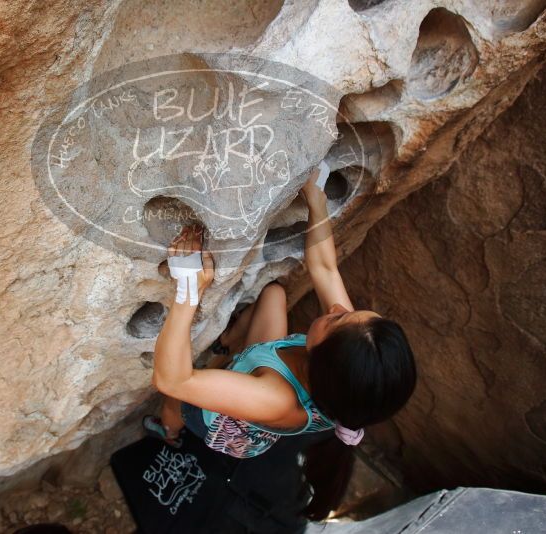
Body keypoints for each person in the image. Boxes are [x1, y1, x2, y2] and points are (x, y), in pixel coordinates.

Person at [146, 165, 417, 520]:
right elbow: (325, 269)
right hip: (266, 369)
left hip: (219, 421)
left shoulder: (277, 400)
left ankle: (170, 429)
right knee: (273, 294)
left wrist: (188, 289)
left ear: (321, 359)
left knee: (179, 393)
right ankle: (227, 350)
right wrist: (316, 203)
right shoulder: (346, 362)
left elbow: (171, 379)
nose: (338, 307)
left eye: (336, 319)